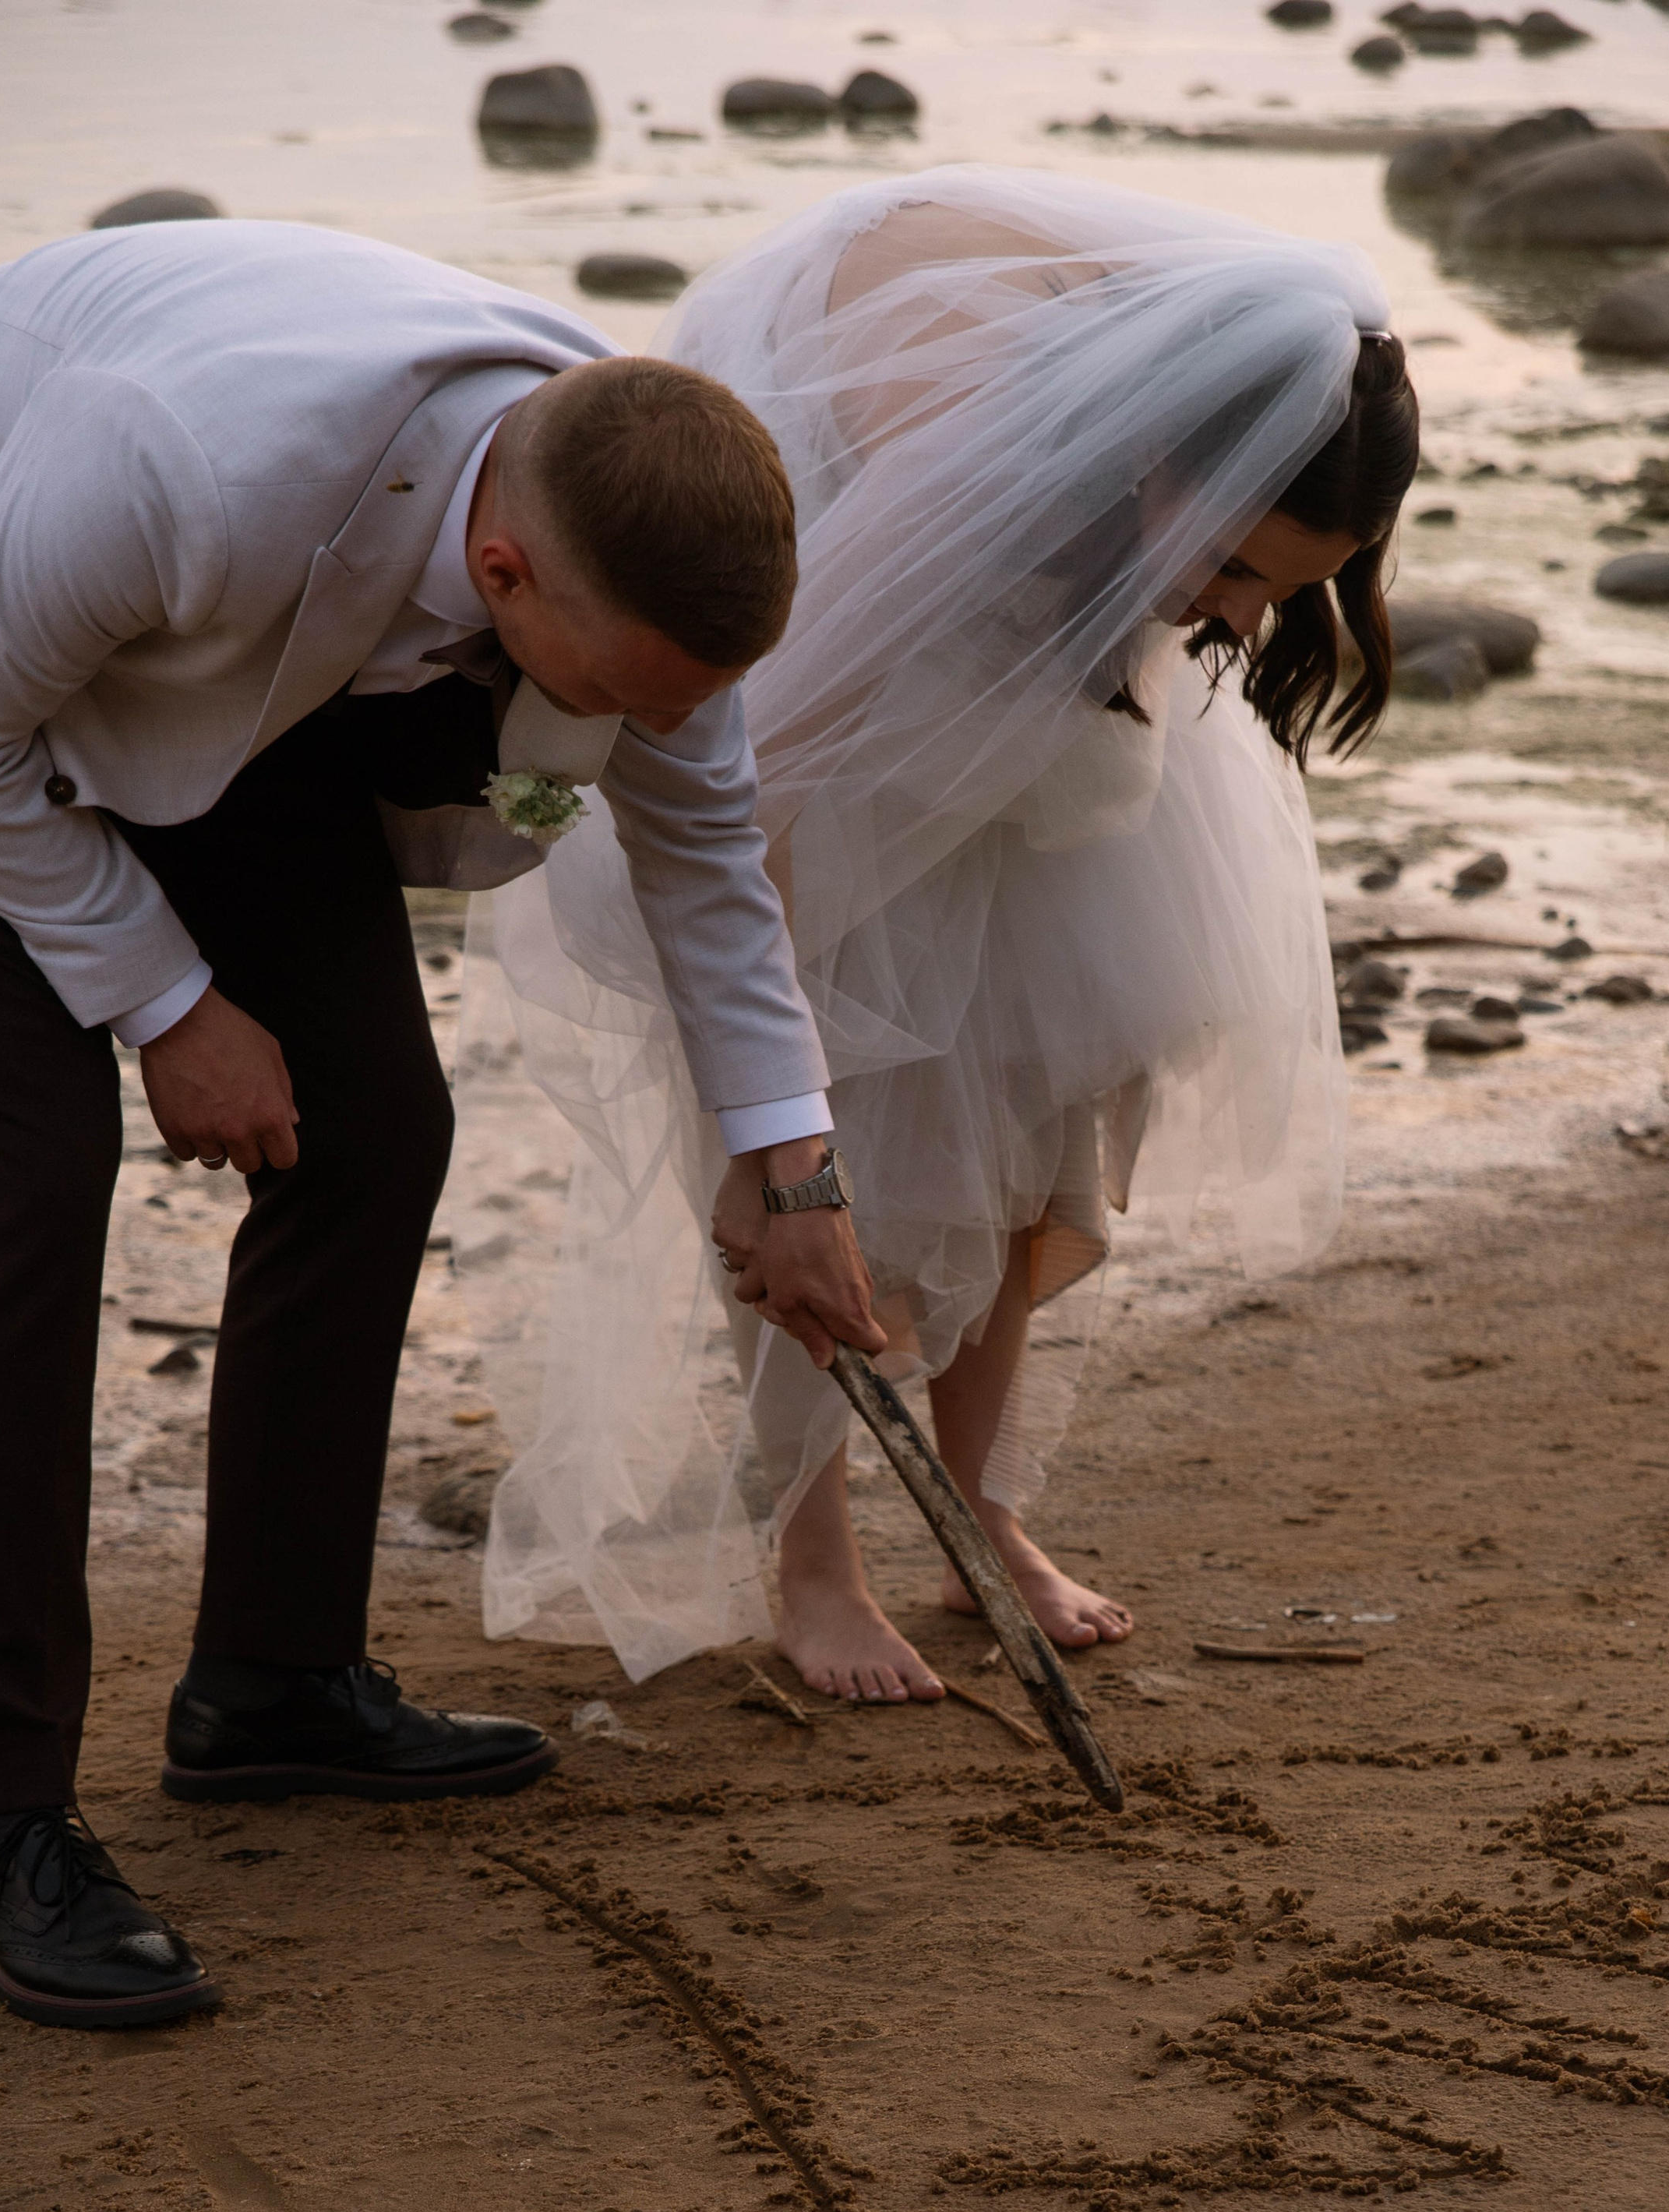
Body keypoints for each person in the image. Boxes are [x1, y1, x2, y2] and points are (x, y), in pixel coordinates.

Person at [0, 217, 880, 2034]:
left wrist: (794, 1173)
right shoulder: (182, 466)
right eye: (624, 697)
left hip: (236, 684)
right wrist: (169, 1003)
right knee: (25, 1191)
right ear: (504, 567)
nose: (655, 733)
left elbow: (706, 865)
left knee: (375, 1125)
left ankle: (270, 1688)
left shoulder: (637, 532)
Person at [475, 169, 1418, 1702]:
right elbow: (746, 808)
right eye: (1233, 572)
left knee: (1035, 1109)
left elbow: (1182, 604)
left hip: (1032, 715)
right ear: (1157, 456)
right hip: (833, 771)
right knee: (860, 1151)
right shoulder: (958, 472)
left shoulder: (1276, 399)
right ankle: (813, 1565)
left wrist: (1185, 597)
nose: (1234, 623)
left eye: (1277, 589)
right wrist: (758, 1139)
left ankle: (982, 1518)